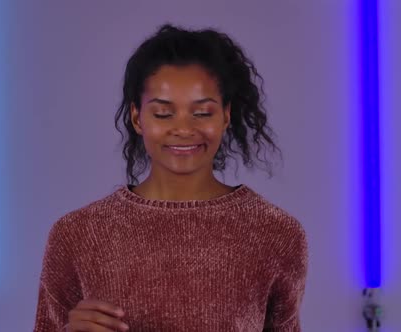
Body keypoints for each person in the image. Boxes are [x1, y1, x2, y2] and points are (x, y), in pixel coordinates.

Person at [34, 23, 308, 332]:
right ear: (137, 118)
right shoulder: (75, 235)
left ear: (225, 116)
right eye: (163, 113)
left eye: (202, 112)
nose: (183, 128)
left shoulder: (276, 234)